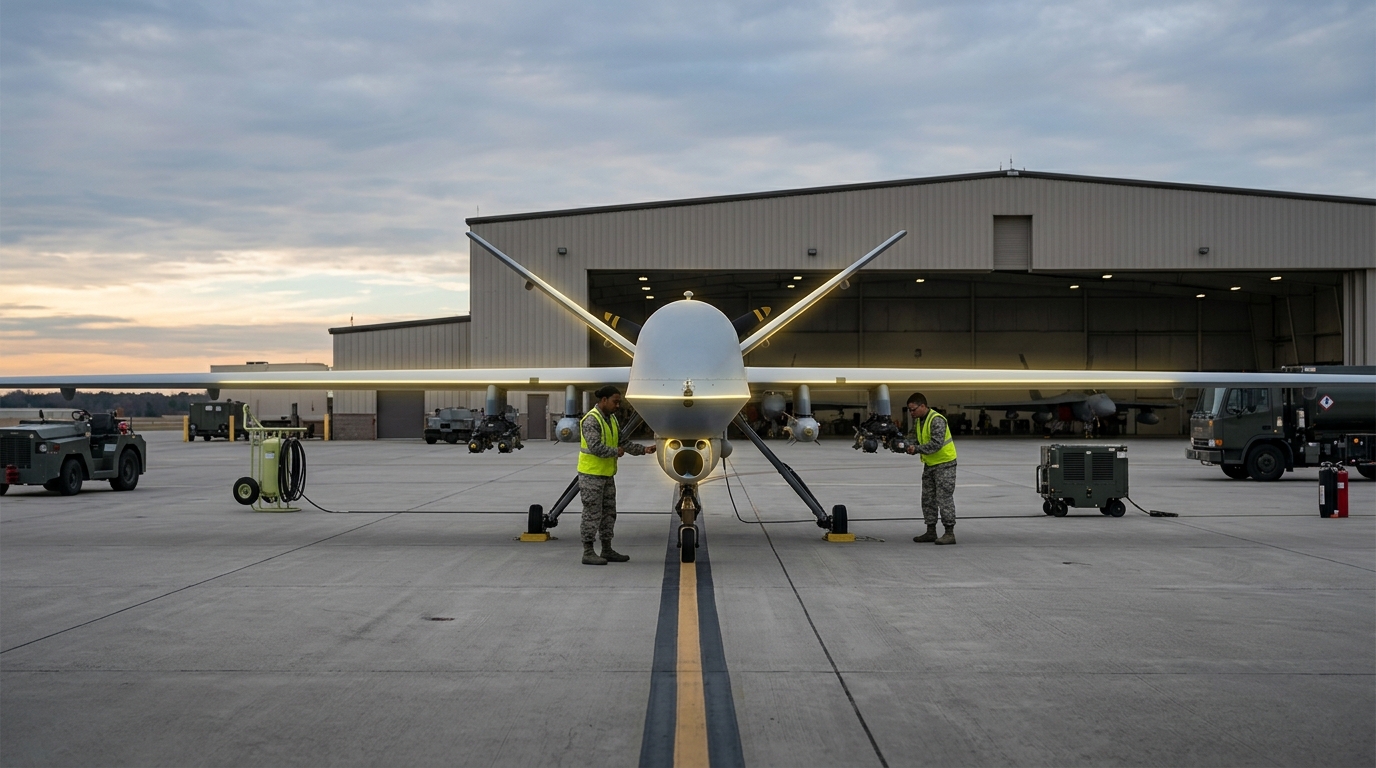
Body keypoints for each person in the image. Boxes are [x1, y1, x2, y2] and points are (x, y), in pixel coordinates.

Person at [577, 385, 656, 565]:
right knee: (592, 513)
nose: (618, 406)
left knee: (609, 513)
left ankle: (606, 549)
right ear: (604, 400)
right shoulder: (591, 420)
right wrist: (615, 451)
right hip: (591, 476)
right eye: (615, 402)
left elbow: (623, 443)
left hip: (606, 475)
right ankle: (588, 551)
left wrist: (644, 450)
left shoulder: (611, 419)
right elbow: (595, 446)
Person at [905, 392, 959, 545]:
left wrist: (916, 449)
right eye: (909, 410)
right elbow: (912, 437)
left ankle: (949, 533)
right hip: (930, 464)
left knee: (944, 498)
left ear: (923, 406)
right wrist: (900, 443)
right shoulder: (919, 421)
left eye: (913, 409)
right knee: (928, 498)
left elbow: (936, 444)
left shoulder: (936, 420)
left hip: (945, 463)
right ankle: (931, 531)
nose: (911, 413)